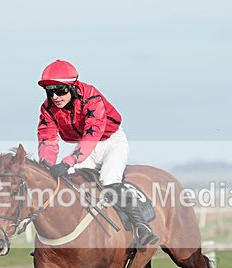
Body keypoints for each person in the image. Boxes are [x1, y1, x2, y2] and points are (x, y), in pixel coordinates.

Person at [36, 59, 157, 246]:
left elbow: (92, 135)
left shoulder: (91, 98)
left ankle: (141, 226)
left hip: (110, 142)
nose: (55, 97)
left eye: (61, 90)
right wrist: (46, 164)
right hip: (85, 146)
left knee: (109, 181)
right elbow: (48, 139)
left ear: (73, 87)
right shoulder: (47, 109)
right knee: (69, 180)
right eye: (50, 92)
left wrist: (68, 161)